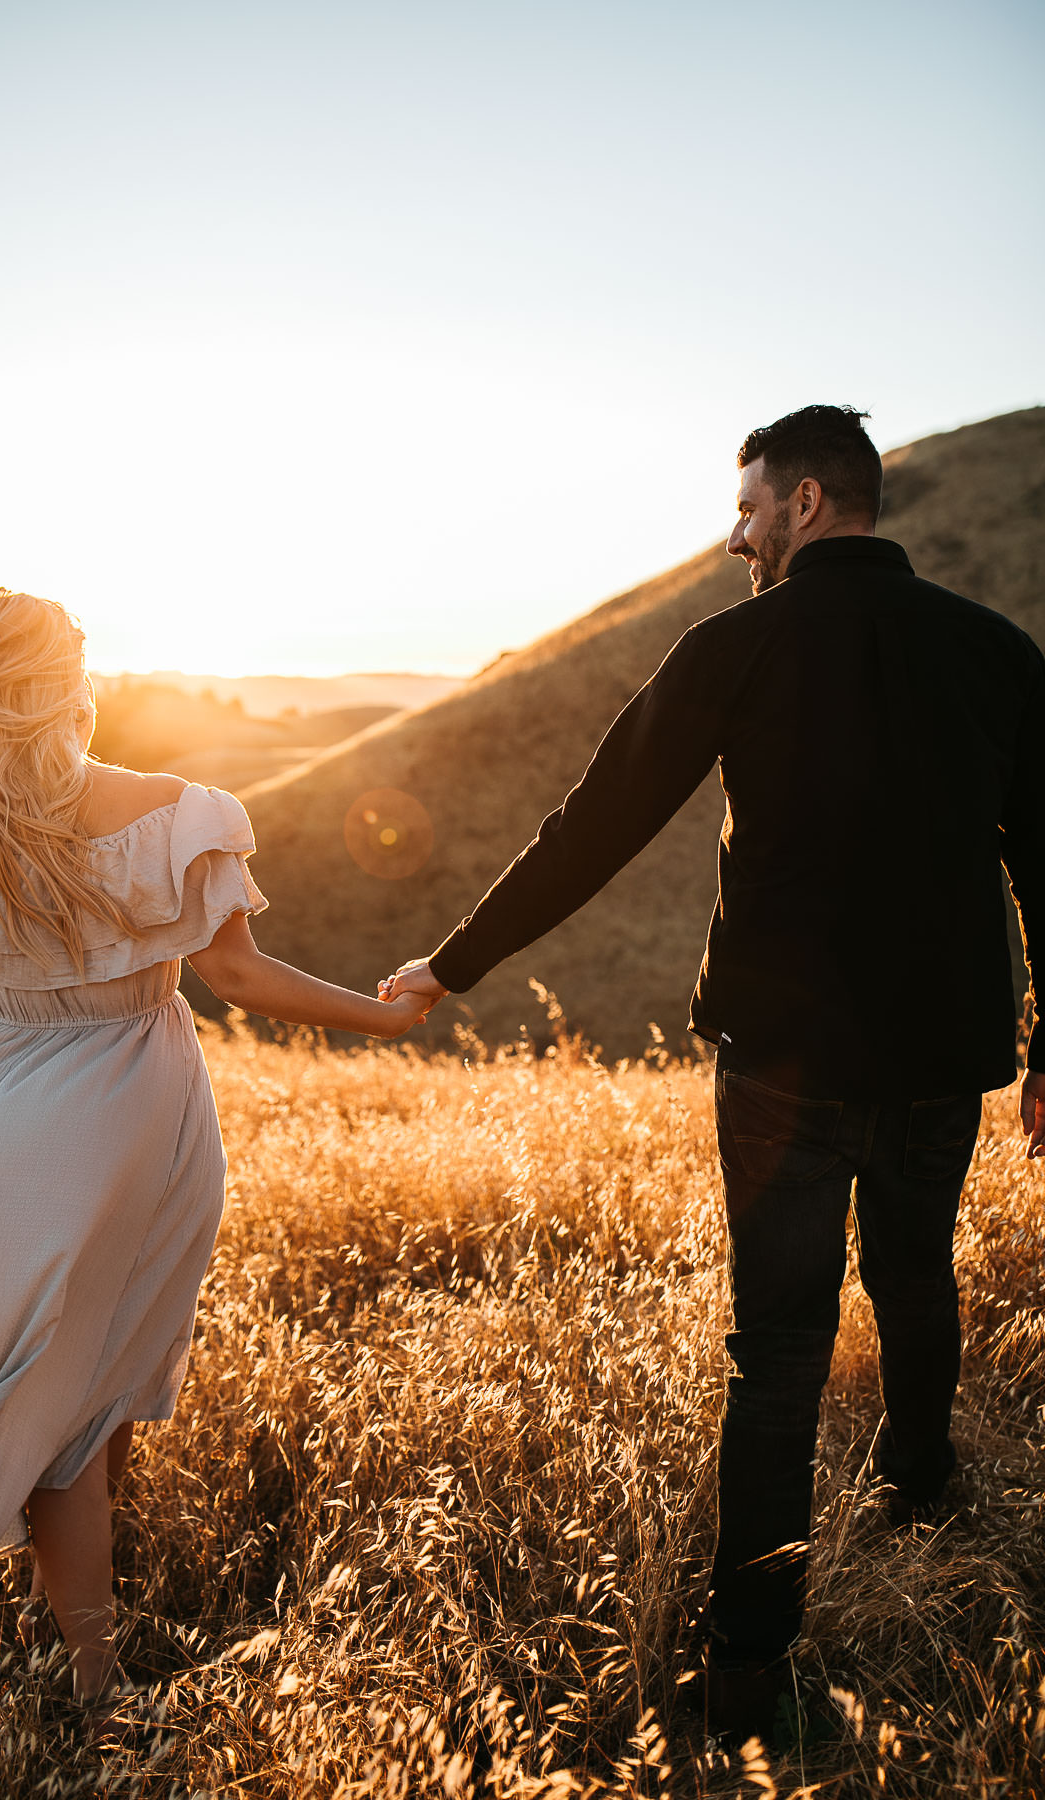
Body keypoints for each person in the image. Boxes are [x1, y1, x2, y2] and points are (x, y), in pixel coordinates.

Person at [382, 405, 1045, 1741]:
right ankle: (922, 1487)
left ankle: (746, 1658)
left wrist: (451, 967)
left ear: (805, 504)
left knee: (779, 1350)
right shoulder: (992, 650)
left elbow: (596, 825)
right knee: (916, 1274)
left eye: (746, 509)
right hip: (939, 1056)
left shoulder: (736, 647)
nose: (734, 536)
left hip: (782, 1069)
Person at [0, 588, 428, 1737]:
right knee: (80, 1399)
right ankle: (96, 1682)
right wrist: (384, 1017)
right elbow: (245, 982)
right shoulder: (176, 811)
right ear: (72, 682)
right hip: (121, 1106)